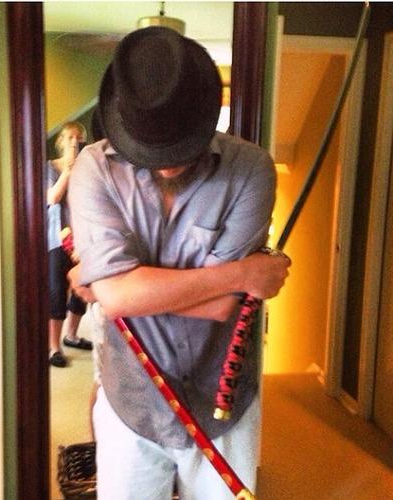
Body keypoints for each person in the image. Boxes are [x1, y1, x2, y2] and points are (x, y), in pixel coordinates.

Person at [68, 27, 290, 499]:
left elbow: (222, 306)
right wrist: (243, 273)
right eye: (151, 149)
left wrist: (121, 287)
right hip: (130, 398)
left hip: (224, 401)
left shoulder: (251, 169)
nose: (167, 164)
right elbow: (118, 296)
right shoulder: (93, 167)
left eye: (179, 146)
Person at [46, 121, 93, 368]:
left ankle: (71, 336)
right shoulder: (50, 167)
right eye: (70, 137)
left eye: (79, 137)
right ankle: (54, 347)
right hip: (56, 238)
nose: (75, 142)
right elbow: (52, 198)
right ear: (61, 142)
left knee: (82, 288)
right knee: (56, 291)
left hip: (83, 238)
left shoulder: (89, 168)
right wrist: (68, 169)